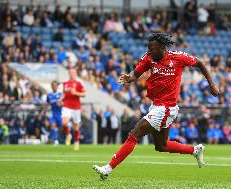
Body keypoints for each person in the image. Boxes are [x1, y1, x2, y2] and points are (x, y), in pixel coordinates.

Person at [93, 33, 219, 180]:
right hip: (156, 106)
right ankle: (195, 150)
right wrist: (130, 78)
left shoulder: (178, 57)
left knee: (136, 132)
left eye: (152, 49)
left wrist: (211, 84)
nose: (149, 52)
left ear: (161, 47)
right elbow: (136, 73)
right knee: (161, 146)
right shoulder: (149, 58)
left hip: (166, 108)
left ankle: (107, 168)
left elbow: (199, 63)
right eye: (148, 48)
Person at [62, 68, 86, 150]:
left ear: (75, 74)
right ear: (69, 73)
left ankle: (76, 141)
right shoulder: (65, 83)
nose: (72, 74)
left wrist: (76, 93)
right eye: (70, 72)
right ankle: (68, 135)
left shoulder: (79, 83)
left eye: (73, 72)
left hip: (76, 107)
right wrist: (61, 99)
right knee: (65, 123)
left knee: (76, 127)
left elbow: (84, 94)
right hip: (67, 106)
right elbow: (63, 94)